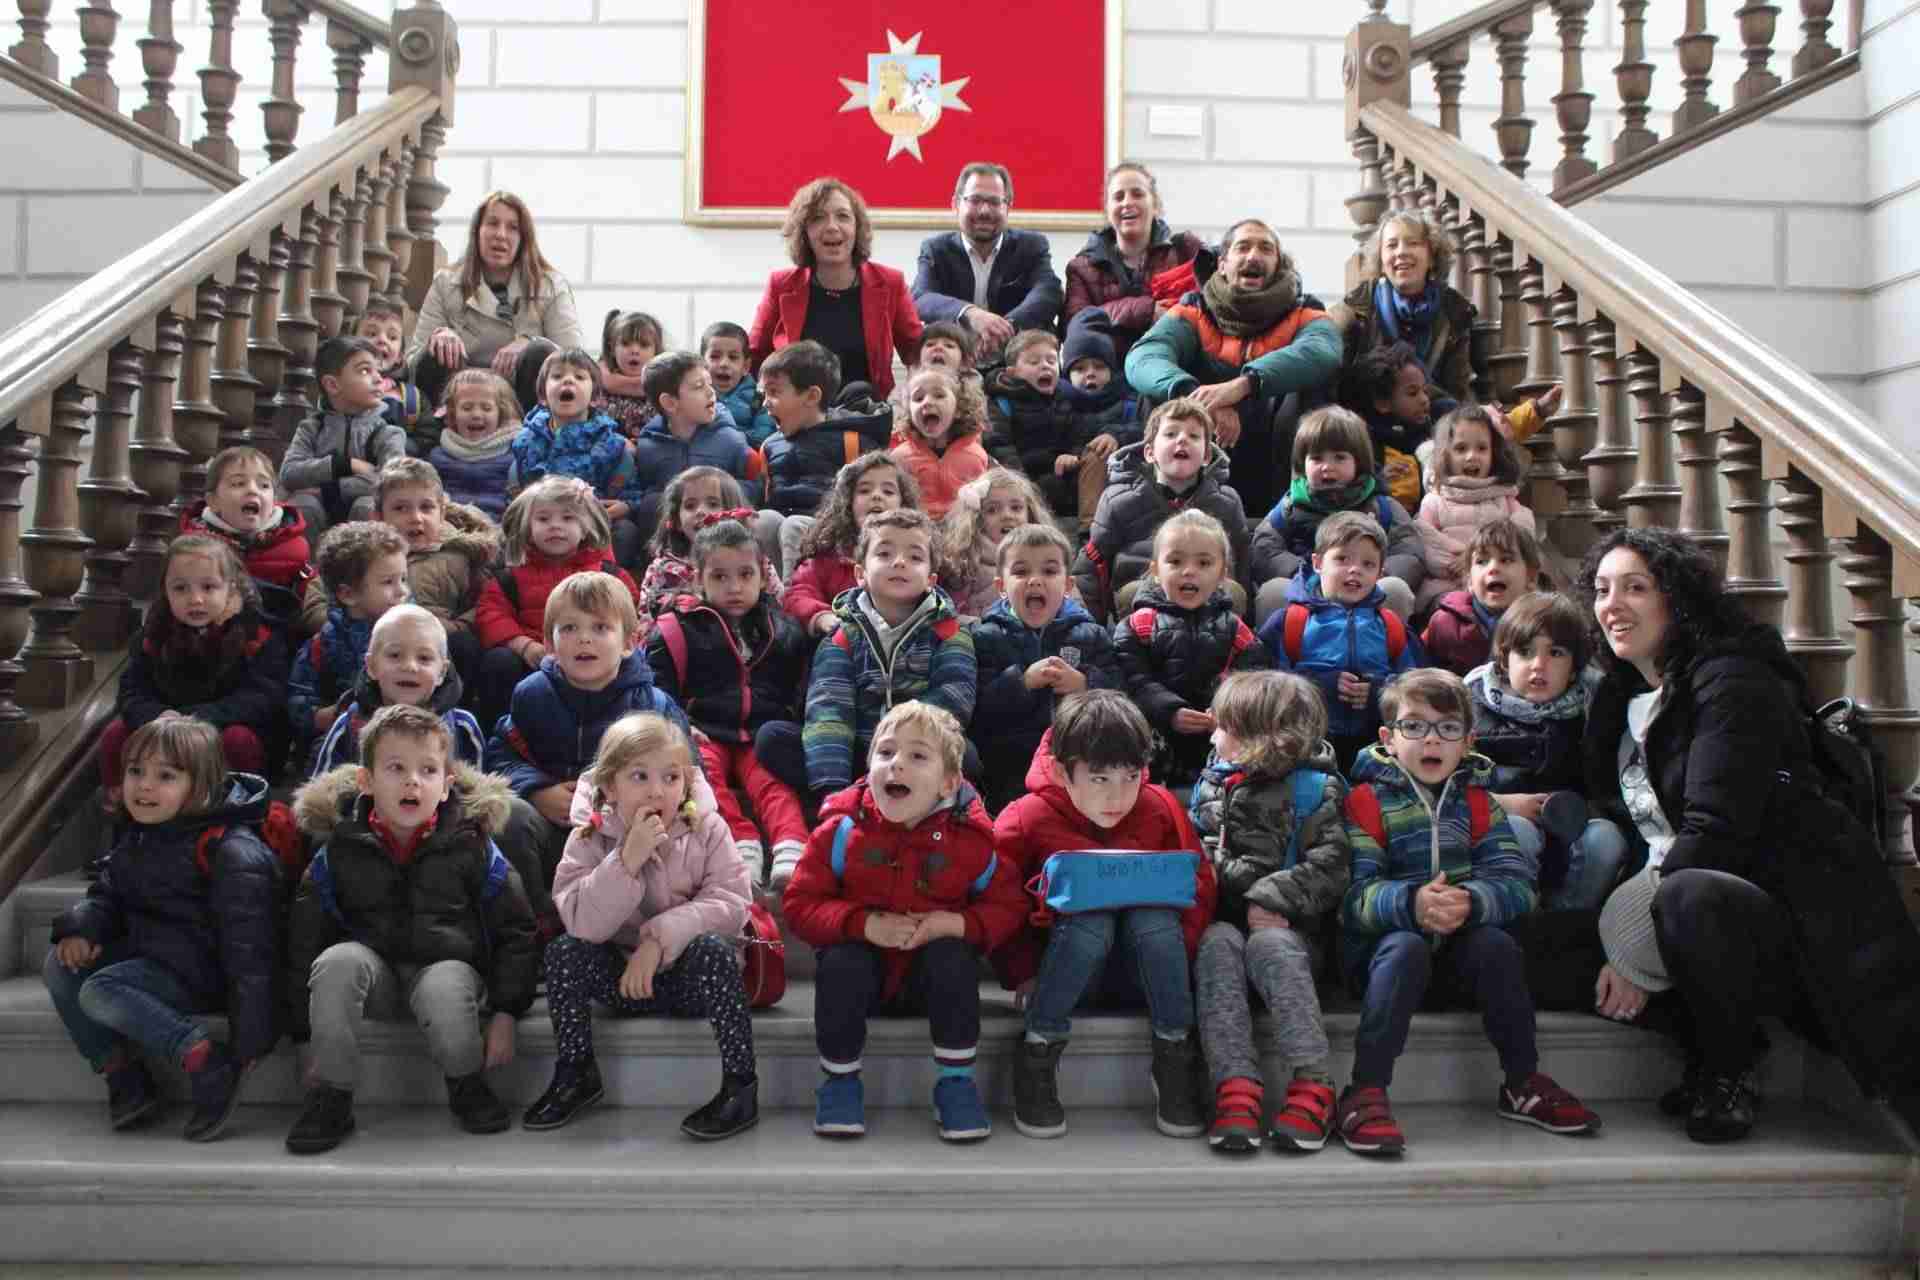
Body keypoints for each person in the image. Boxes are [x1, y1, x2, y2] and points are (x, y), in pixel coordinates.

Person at [1580, 527, 1920, 1144]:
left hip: (1770, 912)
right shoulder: (1621, 696)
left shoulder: (1734, 680)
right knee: (1528, 947)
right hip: (1660, 891)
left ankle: (1726, 1069)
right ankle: (1705, 1034)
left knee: (1689, 898)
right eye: (1602, 590)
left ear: (1677, 599)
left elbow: (1717, 832)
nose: (1612, 604)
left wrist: (1627, 946)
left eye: (1635, 587)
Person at [1339, 668, 1600, 1156]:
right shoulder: (1363, 803)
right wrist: (1412, 903)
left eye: (1448, 728)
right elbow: (1351, 898)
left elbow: (1518, 888)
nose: (1431, 740)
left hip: (1457, 963)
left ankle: (1521, 1080)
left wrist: (1473, 900)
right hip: (1383, 964)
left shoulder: (1480, 805)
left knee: (1497, 944)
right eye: (1414, 726)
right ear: (1388, 739)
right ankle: (1365, 1089)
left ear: (1467, 741)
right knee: (1405, 945)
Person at [286, 704, 538, 1154]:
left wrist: (505, 1013)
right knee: (335, 962)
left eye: (427, 770)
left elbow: (516, 930)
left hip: (447, 971)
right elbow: (303, 941)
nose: (412, 781)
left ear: (446, 787)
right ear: (366, 782)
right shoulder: (340, 847)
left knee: (443, 984)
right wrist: (304, 1038)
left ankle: (466, 1082)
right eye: (396, 768)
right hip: (375, 976)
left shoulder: (471, 844)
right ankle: (331, 1095)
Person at [782, 702, 1026, 1142]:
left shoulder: (971, 842)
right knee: (841, 960)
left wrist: (956, 924)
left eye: (918, 756)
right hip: (864, 982)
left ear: (949, 782)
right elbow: (800, 903)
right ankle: (840, 1082)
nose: (896, 764)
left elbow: (1008, 905)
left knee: (952, 957)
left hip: (928, 983)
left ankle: (955, 1084)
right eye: (886, 752)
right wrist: (861, 924)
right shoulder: (841, 831)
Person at [524, 712, 760, 1140]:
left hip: (688, 983)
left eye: (671, 778)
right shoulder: (588, 838)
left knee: (715, 950)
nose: (657, 790)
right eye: (639, 777)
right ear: (610, 786)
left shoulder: (706, 827)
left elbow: (733, 902)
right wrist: (625, 859)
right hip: (623, 982)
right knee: (562, 952)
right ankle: (576, 1072)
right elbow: (580, 922)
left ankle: (740, 1086)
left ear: (686, 783)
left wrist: (658, 940)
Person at [46, 715, 281, 1143]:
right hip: (154, 956)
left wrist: (250, 1042)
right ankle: (124, 1075)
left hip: (202, 972)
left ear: (201, 787)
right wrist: (83, 928)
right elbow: (108, 893)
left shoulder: (230, 849)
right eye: (135, 771)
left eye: (165, 776)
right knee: (60, 965)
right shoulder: (139, 836)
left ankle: (206, 1060)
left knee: (99, 990)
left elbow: (252, 952)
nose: (144, 786)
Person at [993, 691, 1214, 1140]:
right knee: (1091, 917)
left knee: (1152, 912)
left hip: (1149, 970)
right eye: (1098, 779)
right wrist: (1022, 971)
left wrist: (1181, 955)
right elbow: (1000, 901)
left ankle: (1174, 1054)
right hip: (1066, 974)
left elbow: (1199, 883)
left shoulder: (1160, 807)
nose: (1118, 795)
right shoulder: (1025, 817)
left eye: (1131, 776)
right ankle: (1038, 1050)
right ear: (1061, 771)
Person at [1190, 672, 1349, 1154]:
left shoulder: (1314, 789)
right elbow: (1198, 851)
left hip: (1293, 933)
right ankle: (1235, 1083)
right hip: (1228, 923)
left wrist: (1271, 897)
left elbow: (1332, 865)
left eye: (1226, 727)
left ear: (1264, 736)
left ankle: (1313, 1082)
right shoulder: (1212, 785)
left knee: (1271, 943)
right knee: (1217, 941)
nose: (1214, 736)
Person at [484, 570, 692, 923]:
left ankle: (632, 925)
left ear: (629, 642)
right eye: (569, 629)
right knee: (510, 817)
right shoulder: (532, 695)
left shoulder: (653, 705)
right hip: (554, 826)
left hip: (623, 834)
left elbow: (688, 774)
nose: (584, 640)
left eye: (600, 628)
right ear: (548, 644)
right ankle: (539, 922)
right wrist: (537, 791)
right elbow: (500, 754)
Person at [1124, 218, 1342, 517]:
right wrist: (1198, 400)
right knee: (1155, 394)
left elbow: (1323, 351)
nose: (1253, 256)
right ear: (1223, 264)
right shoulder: (1193, 308)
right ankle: (1160, 508)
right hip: (1203, 441)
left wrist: (1242, 386)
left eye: (1266, 249)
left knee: (1312, 388)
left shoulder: (1306, 311)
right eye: (1243, 247)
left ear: (1278, 265)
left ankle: (1302, 511)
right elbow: (1143, 358)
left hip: (1273, 454)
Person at [646, 515, 811, 889]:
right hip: (705, 730)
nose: (734, 587)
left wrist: (788, 720)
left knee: (772, 783)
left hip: (759, 732)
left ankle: (790, 846)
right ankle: (741, 845)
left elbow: (798, 683)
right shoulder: (675, 628)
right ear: (698, 578)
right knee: (706, 779)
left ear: (762, 574)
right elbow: (657, 688)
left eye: (745, 575)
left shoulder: (780, 627)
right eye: (719, 577)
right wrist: (682, 728)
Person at [774, 508, 975, 808]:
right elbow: (830, 707)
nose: (899, 562)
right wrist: (833, 791)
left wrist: (905, 750)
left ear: (931, 579)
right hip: (857, 746)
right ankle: (848, 800)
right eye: (884, 553)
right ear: (860, 574)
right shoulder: (842, 636)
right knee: (773, 739)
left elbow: (953, 699)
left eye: (915, 557)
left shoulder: (949, 632)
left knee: (966, 754)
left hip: (917, 752)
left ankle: (921, 803)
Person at [1466, 592, 1627, 913]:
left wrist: (1587, 809)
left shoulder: (1593, 708)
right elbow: (1451, 784)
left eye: (1555, 653)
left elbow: (1604, 783)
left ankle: (1566, 919)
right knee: (1518, 831)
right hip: (1498, 823)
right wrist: (1501, 804)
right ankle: (1518, 913)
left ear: (1573, 668)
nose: (1539, 665)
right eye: (1525, 653)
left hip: (1570, 826)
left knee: (1607, 838)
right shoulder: (1472, 707)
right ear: (1503, 660)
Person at [100, 537, 287, 797]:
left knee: (239, 740)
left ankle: (238, 805)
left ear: (231, 590)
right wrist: (159, 716)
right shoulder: (153, 637)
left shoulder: (256, 636)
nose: (195, 599)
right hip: (164, 728)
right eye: (180, 589)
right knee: (116, 733)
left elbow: (262, 698)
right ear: (166, 592)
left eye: (209, 587)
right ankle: (126, 807)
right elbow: (132, 691)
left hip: (221, 730)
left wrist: (196, 719)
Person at [1114, 510, 1273, 789]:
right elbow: (1133, 680)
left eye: (1203, 563)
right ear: (1155, 571)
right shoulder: (1137, 625)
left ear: (1222, 574)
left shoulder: (1235, 628)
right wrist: (1170, 711)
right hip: (1157, 736)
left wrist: (1221, 708)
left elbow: (1251, 674)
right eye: (1175, 561)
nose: (1189, 571)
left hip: (1216, 732)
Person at [471, 476, 642, 733]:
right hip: (534, 658)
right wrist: (525, 646)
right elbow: (490, 613)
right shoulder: (511, 577)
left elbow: (631, 621)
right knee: (499, 661)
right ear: (528, 527)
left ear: (585, 527)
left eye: (568, 518)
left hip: (593, 655)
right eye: (543, 519)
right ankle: (500, 733)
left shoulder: (610, 576)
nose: (555, 526)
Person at [969, 522, 1119, 811]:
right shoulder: (985, 638)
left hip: (1077, 761)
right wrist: (1021, 682)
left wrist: (1084, 685)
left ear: (1068, 585)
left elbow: (1119, 693)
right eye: (1021, 571)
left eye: (1049, 571)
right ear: (1001, 587)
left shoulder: (1091, 635)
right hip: (1011, 766)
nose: (1035, 581)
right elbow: (978, 713)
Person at [1260, 512, 1423, 774]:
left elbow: (1415, 687)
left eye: (1368, 564)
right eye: (1342, 559)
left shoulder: (1391, 626)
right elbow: (1264, 685)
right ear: (1317, 562)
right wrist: (1319, 685)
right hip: (1306, 744)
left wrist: (1379, 692)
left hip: (1375, 746)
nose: (1355, 569)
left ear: (1380, 573)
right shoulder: (1291, 621)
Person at [1072, 398, 1251, 623]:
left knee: (1233, 592)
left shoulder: (1226, 502)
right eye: (1170, 434)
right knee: (1132, 593)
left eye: (1194, 436)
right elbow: (1093, 563)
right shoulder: (1118, 500)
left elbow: (1242, 561)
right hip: (1142, 604)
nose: (1182, 439)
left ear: (1207, 456)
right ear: (1149, 452)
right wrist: (1089, 628)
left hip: (1210, 599)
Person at [408, 190, 584, 412]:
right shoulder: (446, 283)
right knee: (436, 348)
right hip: (460, 400)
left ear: (523, 238)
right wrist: (440, 336)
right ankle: (433, 433)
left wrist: (529, 342)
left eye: (513, 227)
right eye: (492, 223)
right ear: (477, 232)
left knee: (540, 352)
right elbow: (413, 363)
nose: (500, 235)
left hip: (524, 398)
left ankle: (535, 435)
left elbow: (576, 363)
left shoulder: (551, 285)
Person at [1250, 406, 1425, 626]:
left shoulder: (1382, 506)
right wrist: (1304, 572)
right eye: (1316, 458)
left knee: (1395, 590)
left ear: (1358, 462)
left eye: (1339, 458)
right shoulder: (1290, 508)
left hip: (1367, 590)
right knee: (1273, 592)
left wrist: (1375, 573)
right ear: (1302, 464)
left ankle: (1386, 652)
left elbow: (1409, 550)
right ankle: (1277, 656)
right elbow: (1265, 547)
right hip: (1306, 593)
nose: (1326, 467)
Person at [749, 177, 923, 400]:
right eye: (818, 218)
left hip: (867, 419)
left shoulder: (891, 283)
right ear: (804, 232)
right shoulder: (781, 285)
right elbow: (754, 358)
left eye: (843, 216)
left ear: (857, 227)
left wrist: (908, 397)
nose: (832, 226)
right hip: (797, 423)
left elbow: (918, 356)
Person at [365, 458, 501, 688]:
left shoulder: (462, 556)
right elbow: (323, 596)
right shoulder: (366, 554)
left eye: (426, 507)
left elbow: (486, 604)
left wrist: (453, 626)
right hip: (383, 642)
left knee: (463, 645)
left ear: (442, 512)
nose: (416, 518)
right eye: (400, 508)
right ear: (378, 516)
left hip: (438, 648)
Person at [758, 341, 893, 570]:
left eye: (774, 392)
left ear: (811, 396)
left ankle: (792, 598)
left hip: (833, 538)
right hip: (785, 531)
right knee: (763, 520)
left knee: (794, 526)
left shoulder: (853, 442)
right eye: (764, 394)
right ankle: (771, 592)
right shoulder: (770, 447)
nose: (765, 403)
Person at [310, 604, 485, 777]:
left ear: (442, 672)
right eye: (394, 655)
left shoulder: (463, 727)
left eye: (424, 658)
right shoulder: (348, 724)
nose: (410, 666)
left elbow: (475, 796)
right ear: (371, 666)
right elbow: (323, 797)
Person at [911, 162, 1063, 358]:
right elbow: (921, 297)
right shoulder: (936, 249)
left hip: (1017, 361)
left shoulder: (1031, 246)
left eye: (994, 202)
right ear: (956, 205)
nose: (984, 211)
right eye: (975, 200)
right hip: (957, 360)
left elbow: (1048, 292)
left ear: (1008, 207)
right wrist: (972, 314)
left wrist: (1001, 329)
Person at [1062, 163, 1206, 366]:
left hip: (1175, 368)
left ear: (1155, 205)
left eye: (1137, 194)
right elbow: (1076, 325)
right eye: (1118, 197)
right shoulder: (1081, 267)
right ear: (1108, 208)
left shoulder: (1186, 251)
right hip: (1108, 379)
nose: (1127, 202)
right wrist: (1145, 310)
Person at [985, 328, 1134, 525]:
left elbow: (1081, 434)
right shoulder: (1001, 402)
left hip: (1059, 479)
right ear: (1012, 372)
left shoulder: (1063, 400)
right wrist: (1023, 487)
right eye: (1034, 362)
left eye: (1051, 361)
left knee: (1097, 451)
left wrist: (1072, 455)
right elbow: (999, 447)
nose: (1045, 366)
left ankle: (1091, 530)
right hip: (1022, 484)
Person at [288, 521, 410, 762]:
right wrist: (320, 715)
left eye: (404, 579)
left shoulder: (419, 633)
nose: (401, 591)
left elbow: (447, 686)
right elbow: (298, 696)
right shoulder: (324, 643)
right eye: (388, 582)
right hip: (348, 736)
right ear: (348, 594)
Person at [507, 347, 638, 561]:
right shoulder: (526, 441)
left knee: (625, 532)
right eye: (557, 376)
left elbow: (630, 494)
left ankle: (604, 581)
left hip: (590, 528)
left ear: (595, 397)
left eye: (579, 377)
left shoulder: (611, 444)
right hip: (542, 526)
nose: (568, 381)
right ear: (542, 396)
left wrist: (623, 506)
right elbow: (514, 494)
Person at [624, 350, 753, 562]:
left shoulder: (729, 438)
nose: (711, 392)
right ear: (670, 403)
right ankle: (659, 566)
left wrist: (720, 497)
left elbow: (753, 481)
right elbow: (645, 488)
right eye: (699, 387)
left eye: (709, 384)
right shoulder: (649, 445)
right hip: (676, 533)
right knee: (652, 502)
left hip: (723, 535)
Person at [779, 452, 920, 637]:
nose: (876, 496)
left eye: (888, 491)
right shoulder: (830, 554)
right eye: (864, 490)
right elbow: (798, 595)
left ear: (904, 504)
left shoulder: (916, 555)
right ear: (847, 502)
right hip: (843, 644)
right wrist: (823, 617)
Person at [181, 445, 317, 634]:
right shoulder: (192, 551)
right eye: (238, 484)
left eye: (264, 485)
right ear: (213, 501)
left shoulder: (293, 549)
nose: (253, 490)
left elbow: (312, 601)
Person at [280, 337, 408, 536]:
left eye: (378, 371)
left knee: (367, 507)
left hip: (358, 513)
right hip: (318, 512)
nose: (378, 379)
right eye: (365, 370)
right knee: (302, 506)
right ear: (332, 385)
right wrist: (345, 464)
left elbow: (391, 482)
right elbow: (289, 473)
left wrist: (327, 490)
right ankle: (305, 567)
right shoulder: (312, 428)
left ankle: (364, 567)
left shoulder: (388, 432)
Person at [1415, 405, 1534, 615]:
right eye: (1461, 449)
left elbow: (1524, 536)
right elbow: (1427, 542)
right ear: (1446, 454)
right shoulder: (1434, 502)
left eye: (1481, 448)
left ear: (1493, 453)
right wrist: (1469, 562)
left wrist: (1485, 562)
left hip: (1500, 587)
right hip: (1448, 590)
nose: (1472, 456)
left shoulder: (1504, 499)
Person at [634, 467, 755, 639]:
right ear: (675, 520)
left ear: (734, 512)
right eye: (690, 506)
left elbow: (777, 609)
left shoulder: (755, 561)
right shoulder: (661, 569)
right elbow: (647, 626)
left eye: (713, 504)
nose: (700, 511)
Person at [1422, 518, 1539, 676]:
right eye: (1482, 561)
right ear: (1470, 580)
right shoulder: (1444, 623)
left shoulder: (1544, 623)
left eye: (1506, 560)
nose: (1493, 568)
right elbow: (1425, 676)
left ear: (1530, 577)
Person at [938, 466, 1056, 620]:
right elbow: (950, 616)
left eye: (1016, 508)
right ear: (977, 519)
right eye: (992, 510)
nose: (1007, 515)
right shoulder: (962, 562)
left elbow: (1072, 606)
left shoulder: (1051, 558)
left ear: (1030, 513)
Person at [890, 365, 991, 521]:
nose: (927, 402)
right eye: (918, 398)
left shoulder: (976, 455)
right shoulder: (899, 458)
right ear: (909, 413)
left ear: (958, 408)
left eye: (938, 395)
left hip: (962, 532)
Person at [427, 369, 521, 523]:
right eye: (467, 408)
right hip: (451, 526)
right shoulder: (438, 456)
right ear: (453, 413)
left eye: (486, 408)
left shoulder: (514, 454)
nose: (476, 414)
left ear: (500, 413)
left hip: (497, 526)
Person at [702, 320, 775, 448]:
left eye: (733, 357)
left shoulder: (758, 397)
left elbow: (764, 435)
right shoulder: (694, 395)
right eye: (715, 356)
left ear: (746, 367)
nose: (724, 363)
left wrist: (726, 436)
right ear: (702, 363)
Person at [598, 309, 664, 439]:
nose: (634, 350)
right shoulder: (598, 384)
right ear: (612, 348)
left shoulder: (665, 387)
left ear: (656, 351)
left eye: (644, 345)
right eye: (625, 344)